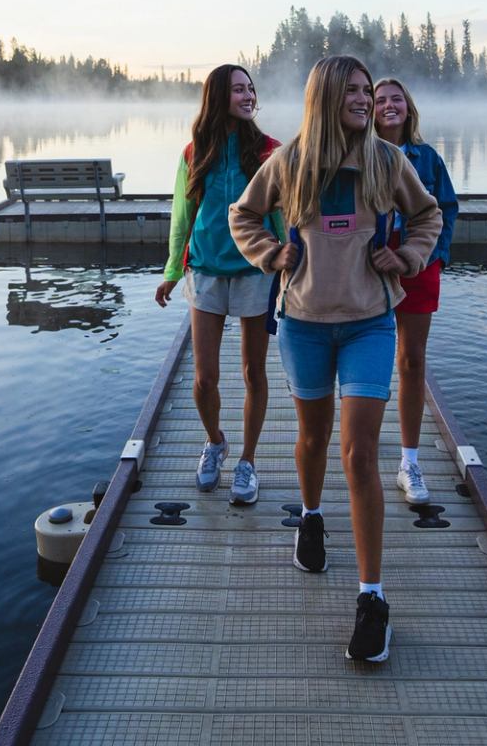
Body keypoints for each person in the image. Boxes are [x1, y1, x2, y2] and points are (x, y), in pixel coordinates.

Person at [230, 54, 441, 663]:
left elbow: (427, 214)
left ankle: (372, 599)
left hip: (371, 324)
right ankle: (314, 517)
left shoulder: (386, 159)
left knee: (359, 453)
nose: (365, 97)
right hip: (303, 325)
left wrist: (407, 259)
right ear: (325, 96)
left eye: (368, 89)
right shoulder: (290, 162)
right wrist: (272, 255)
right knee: (313, 439)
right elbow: (242, 214)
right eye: (353, 89)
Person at [155, 64, 282, 505]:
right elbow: (181, 218)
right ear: (217, 98)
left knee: (252, 372)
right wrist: (174, 271)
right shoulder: (195, 153)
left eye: (251, 89)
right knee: (204, 379)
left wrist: (287, 266)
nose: (248, 96)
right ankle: (215, 442)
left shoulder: (271, 151)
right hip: (205, 270)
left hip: (255, 274)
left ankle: (247, 460)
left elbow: (283, 217)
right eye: (238, 90)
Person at [371, 78, 458, 506]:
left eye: (396, 99)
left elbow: (445, 209)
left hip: (417, 269)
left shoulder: (427, 158)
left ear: (409, 108)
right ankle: (363, 441)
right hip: (367, 272)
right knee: (367, 358)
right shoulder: (358, 154)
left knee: (410, 360)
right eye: (380, 99)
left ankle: (409, 461)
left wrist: (432, 256)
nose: (389, 105)